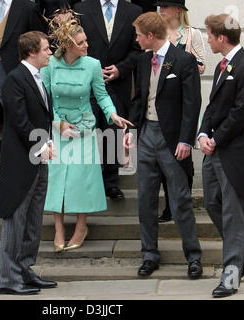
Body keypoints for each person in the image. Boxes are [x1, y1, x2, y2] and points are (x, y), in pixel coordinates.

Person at [41, 18, 132, 252]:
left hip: (84, 127)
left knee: (82, 177)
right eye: (81, 42)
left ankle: (81, 226)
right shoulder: (50, 64)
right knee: (56, 177)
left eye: (86, 41)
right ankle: (59, 229)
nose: (86, 45)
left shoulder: (92, 65)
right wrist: (58, 123)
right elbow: (44, 99)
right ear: (68, 45)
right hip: (58, 127)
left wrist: (113, 115)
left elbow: (101, 96)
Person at [124, 12, 202, 279]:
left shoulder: (183, 60)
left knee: (180, 201)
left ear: (150, 36)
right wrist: (131, 131)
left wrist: (185, 140)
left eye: (137, 35)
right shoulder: (143, 61)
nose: (135, 40)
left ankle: (193, 257)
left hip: (172, 140)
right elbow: (139, 99)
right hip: (146, 135)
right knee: (145, 200)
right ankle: (149, 255)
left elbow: (192, 104)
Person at [199, 14, 244, 298]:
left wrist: (215, 138)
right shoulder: (223, 65)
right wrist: (202, 133)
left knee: (232, 213)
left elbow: (241, 113)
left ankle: (232, 274)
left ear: (221, 37)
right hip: (215, 150)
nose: (208, 39)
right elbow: (212, 107)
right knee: (213, 203)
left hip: (234, 152)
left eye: (209, 35)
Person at [0, 31, 57, 295]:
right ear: (31, 52)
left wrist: (49, 142)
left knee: (33, 220)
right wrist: (42, 144)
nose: (50, 52)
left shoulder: (38, 77)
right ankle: (8, 279)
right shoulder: (15, 79)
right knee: (16, 220)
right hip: (20, 162)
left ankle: (25, 270)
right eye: (46, 49)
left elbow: (42, 116)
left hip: (38, 159)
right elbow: (20, 121)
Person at [74, 0, 142, 200]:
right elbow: (74, 45)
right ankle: (87, 181)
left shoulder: (133, 11)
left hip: (118, 84)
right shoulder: (82, 9)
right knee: (87, 131)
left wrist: (121, 69)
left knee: (112, 132)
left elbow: (138, 50)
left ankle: (111, 183)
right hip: (87, 83)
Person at [154, 0, 206, 223]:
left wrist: (185, 57)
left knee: (183, 155)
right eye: (160, 6)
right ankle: (169, 206)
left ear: (178, 10)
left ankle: (183, 203)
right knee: (163, 157)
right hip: (163, 100)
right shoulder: (157, 33)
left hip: (184, 100)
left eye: (165, 6)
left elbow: (202, 67)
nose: (161, 10)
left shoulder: (191, 34)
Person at [0, 0, 46, 160]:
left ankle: (21, 159)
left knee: (17, 118)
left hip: (11, 71)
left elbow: (39, 39)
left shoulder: (27, 7)